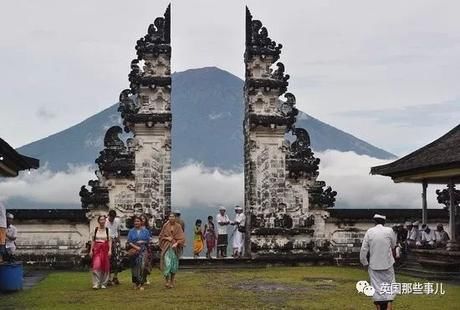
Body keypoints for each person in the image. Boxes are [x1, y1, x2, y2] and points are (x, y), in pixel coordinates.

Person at [360, 214, 397, 310]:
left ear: (375, 222)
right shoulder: (389, 231)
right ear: (384, 222)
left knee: (376, 288)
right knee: (389, 286)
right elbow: (393, 245)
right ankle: (389, 306)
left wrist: (364, 262)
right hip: (388, 264)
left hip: (374, 265)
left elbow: (364, 249)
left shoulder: (369, 232)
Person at [159, 213, 185, 288]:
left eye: (173, 216)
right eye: (170, 216)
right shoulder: (165, 226)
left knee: (174, 264)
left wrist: (177, 243)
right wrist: (167, 238)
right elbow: (161, 236)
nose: (171, 218)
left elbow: (182, 238)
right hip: (167, 247)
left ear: (175, 218)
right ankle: (167, 281)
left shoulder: (178, 226)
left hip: (174, 248)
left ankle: (172, 281)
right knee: (167, 263)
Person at [127, 216, 151, 290]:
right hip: (134, 250)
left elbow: (148, 240)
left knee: (142, 266)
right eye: (135, 221)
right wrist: (135, 246)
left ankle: (141, 283)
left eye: (138, 221)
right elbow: (129, 242)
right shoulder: (131, 231)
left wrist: (143, 242)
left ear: (141, 222)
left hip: (143, 250)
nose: (136, 223)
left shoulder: (145, 231)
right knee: (135, 267)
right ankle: (136, 283)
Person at [89, 215, 112, 289]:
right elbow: (93, 240)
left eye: (103, 220)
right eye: (101, 220)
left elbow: (109, 241)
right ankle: (96, 283)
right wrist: (91, 250)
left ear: (105, 221)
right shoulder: (95, 230)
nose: (102, 221)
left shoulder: (108, 230)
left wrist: (110, 250)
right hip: (97, 249)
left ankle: (103, 283)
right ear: (98, 221)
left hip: (105, 249)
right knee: (96, 265)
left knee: (105, 266)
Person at [105, 210, 122, 286]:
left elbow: (118, 231)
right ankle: (108, 278)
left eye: (113, 218)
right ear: (108, 216)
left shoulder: (117, 221)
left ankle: (115, 277)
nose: (112, 219)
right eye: (111, 217)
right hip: (107, 241)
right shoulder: (105, 222)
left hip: (115, 241)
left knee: (117, 260)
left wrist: (119, 240)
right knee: (108, 260)